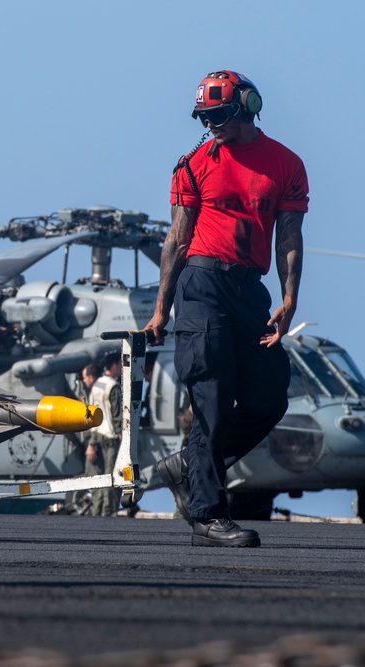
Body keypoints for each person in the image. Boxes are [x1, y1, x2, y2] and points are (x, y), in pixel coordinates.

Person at [144, 70, 308, 548]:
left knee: (268, 396)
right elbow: (175, 242)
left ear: (250, 106)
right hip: (202, 284)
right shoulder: (193, 164)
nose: (212, 125)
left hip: (250, 290)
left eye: (220, 116)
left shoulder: (286, 164)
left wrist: (290, 297)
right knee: (212, 401)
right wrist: (161, 311)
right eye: (205, 117)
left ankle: (187, 469)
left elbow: (290, 236)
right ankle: (209, 516)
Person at [85, 353, 122, 516]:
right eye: (120, 365)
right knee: (111, 479)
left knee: (97, 479)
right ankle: (109, 512)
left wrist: (91, 443)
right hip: (110, 438)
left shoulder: (96, 385)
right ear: (114, 365)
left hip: (96, 437)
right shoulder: (113, 386)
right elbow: (116, 414)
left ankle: (97, 512)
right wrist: (122, 434)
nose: (121, 368)